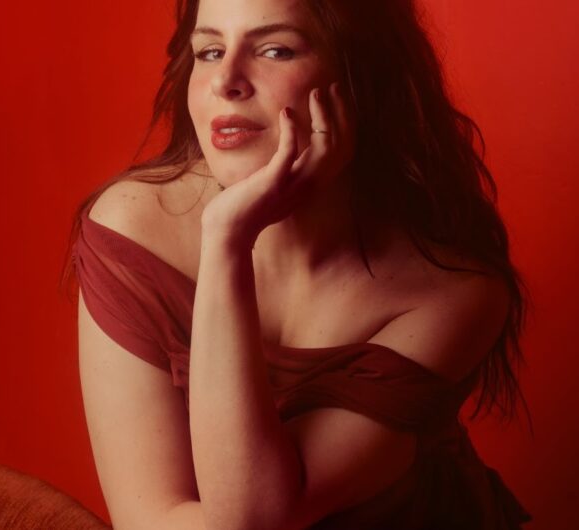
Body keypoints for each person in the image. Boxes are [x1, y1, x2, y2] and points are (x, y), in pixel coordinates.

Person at [64, 0, 533, 528]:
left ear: (358, 77)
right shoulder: (133, 227)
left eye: (275, 50)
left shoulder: (453, 293)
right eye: (210, 51)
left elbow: (252, 518)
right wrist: (228, 235)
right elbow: (148, 518)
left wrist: (227, 242)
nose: (226, 81)